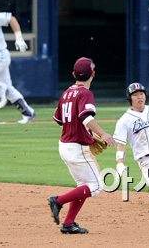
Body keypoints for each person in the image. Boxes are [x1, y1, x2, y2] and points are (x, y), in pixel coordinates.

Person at [48, 57, 116, 234]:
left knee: (83, 186)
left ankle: (69, 223)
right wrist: (103, 134)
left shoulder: (66, 93)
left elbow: (58, 119)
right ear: (93, 74)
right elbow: (86, 118)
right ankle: (58, 200)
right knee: (96, 186)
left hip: (65, 145)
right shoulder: (85, 93)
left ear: (73, 74)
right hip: (76, 148)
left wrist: (88, 134)